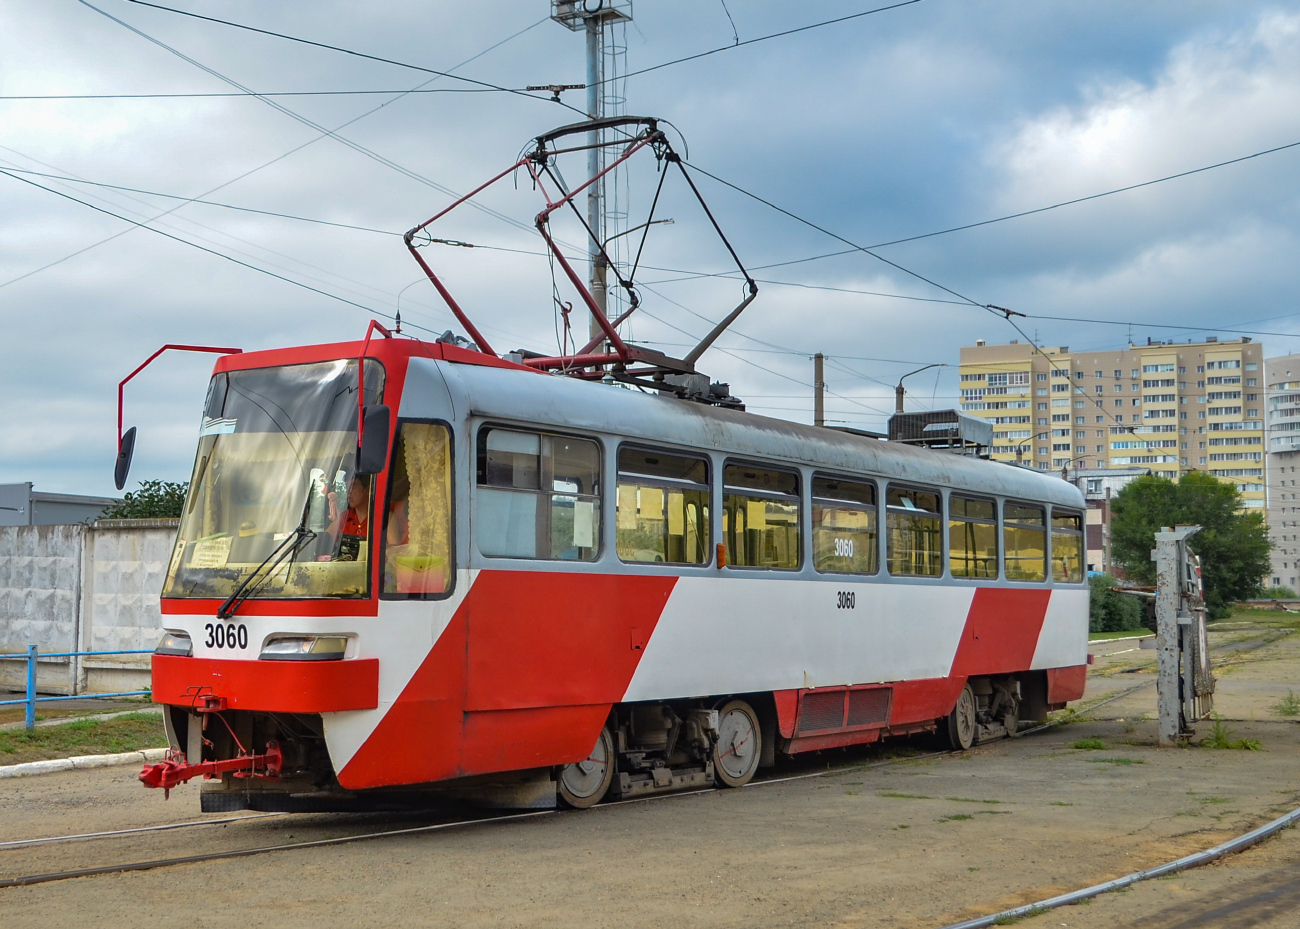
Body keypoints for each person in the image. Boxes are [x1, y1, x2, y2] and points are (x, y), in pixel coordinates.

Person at [326, 475, 369, 560]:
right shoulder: (344, 517)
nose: (349, 491)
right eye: (347, 487)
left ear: (367, 489)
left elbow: (394, 551)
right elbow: (325, 540)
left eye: (353, 486)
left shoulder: (383, 518)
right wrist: (337, 519)